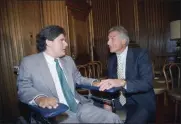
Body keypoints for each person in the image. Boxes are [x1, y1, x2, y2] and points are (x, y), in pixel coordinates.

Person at [17, 25, 123, 123]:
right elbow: (23, 89)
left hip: (79, 106)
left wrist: (96, 82)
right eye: (62, 40)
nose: (66, 44)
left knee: (113, 118)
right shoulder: (29, 62)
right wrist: (40, 98)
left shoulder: (67, 60)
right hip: (57, 112)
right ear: (49, 42)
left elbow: (78, 78)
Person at [98, 26, 156, 123]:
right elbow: (111, 85)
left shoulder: (141, 54)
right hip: (119, 99)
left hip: (140, 101)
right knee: (94, 110)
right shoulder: (112, 60)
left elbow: (147, 83)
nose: (108, 42)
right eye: (108, 39)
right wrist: (107, 102)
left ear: (124, 41)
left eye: (112, 38)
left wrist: (122, 82)